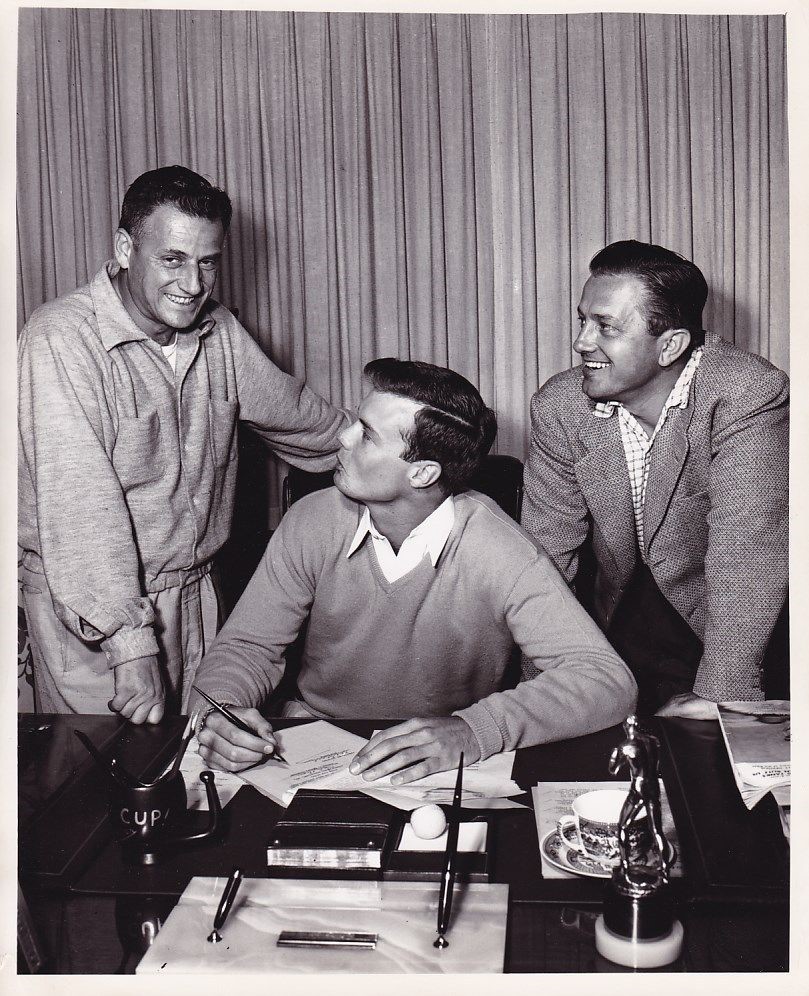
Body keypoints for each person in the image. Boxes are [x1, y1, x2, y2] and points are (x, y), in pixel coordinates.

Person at [191, 358, 637, 781]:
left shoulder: (500, 550)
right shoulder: (312, 519)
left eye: (366, 435)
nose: (343, 439)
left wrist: (473, 731)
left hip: (437, 764)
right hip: (310, 748)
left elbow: (605, 679)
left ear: (422, 474)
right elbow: (247, 646)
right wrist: (221, 713)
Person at [18, 165, 348, 724]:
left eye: (208, 262)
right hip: (95, 612)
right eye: (172, 259)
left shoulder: (216, 330)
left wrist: (401, 450)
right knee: (107, 794)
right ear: (126, 248)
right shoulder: (61, 338)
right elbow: (81, 511)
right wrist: (130, 642)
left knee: (201, 778)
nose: (192, 284)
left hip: (199, 597)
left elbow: (304, 421)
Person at [521, 240, 789, 719]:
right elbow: (545, 558)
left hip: (745, 628)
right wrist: (541, 699)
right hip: (624, 619)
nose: (582, 342)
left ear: (670, 345)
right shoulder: (559, 406)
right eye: (582, 321)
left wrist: (723, 696)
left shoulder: (748, 392)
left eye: (605, 327)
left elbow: (747, 548)